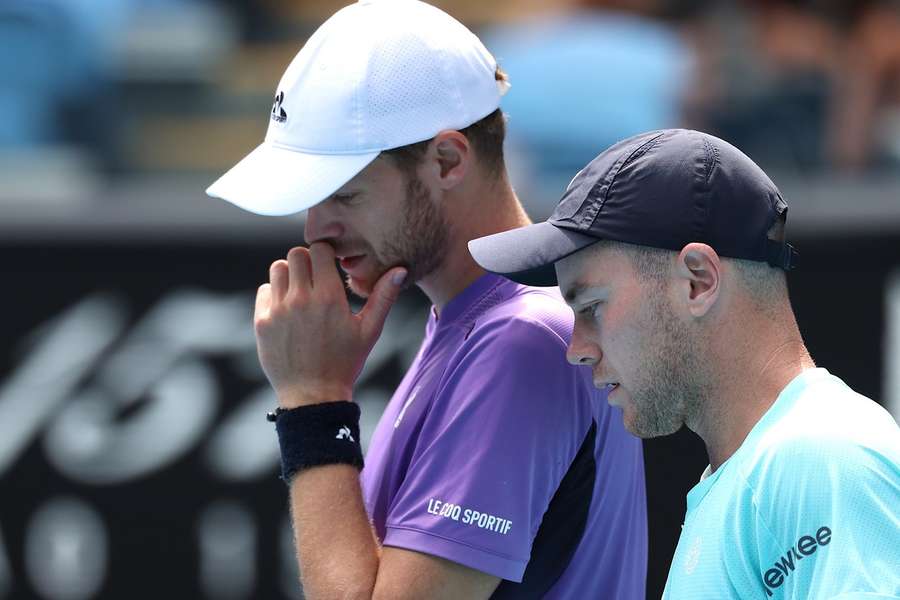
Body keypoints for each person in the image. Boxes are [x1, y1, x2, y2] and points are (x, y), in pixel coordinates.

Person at [206, 1, 647, 598]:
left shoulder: (522, 341)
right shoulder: (481, 326)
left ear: (447, 161)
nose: (315, 229)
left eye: (345, 195)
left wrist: (313, 401)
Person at [469, 128, 900, 598]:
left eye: (591, 306)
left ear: (697, 281)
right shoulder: (763, 471)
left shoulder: (820, 457)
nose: (577, 348)